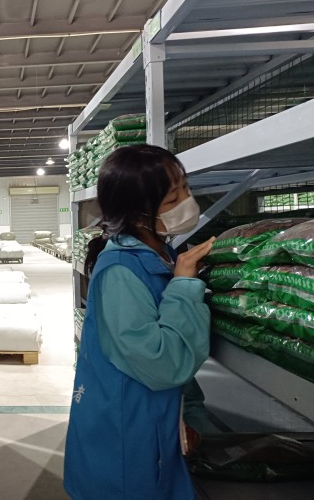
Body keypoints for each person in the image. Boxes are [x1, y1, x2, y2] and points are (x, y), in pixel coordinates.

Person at [64, 144, 214, 500]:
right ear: (137, 211)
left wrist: (190, 414)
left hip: (152, 423)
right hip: (129, 433)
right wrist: (184, 286)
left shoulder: (162, 254)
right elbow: (162, 363)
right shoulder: (121, 271)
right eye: (172, 199)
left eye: (186, 190)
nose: (187, 203)